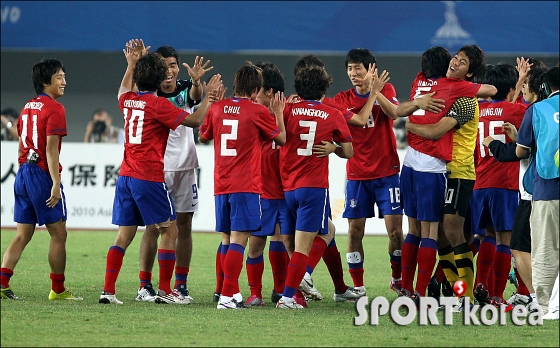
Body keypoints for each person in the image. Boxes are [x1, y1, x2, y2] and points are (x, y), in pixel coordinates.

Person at [99, 40, 222, 305]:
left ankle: (108, 291)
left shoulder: (127, 100)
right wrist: (210, 100)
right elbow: (195, 121)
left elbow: (122, 87)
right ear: (158, 80)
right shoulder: (158, 105)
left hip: (125, 176)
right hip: (149, 175)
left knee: (124, 233)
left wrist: (131, 64)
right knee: (170, 229)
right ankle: (166, 291)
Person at [399, 45, 496, 307]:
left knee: (453, 233)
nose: (455, 63)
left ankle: (465, 295)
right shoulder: (446, 89)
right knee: (440, 234)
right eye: (455, 58)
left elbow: (436, 131)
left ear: (470, 72)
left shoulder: (465, 101)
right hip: (441, 169)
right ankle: (455, 289)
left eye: (462, 62)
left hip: (458, 172)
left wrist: (409, 124)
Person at [199, 63, 286, 309]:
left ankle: (230, 292)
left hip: (221, 184)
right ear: (256, 89)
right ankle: (227, 296)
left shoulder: (216, 108)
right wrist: (278, 113)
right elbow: (281, 138)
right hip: (245, 185)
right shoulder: (257, 111)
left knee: (227, 239)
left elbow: (203, 136)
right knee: (239, 239)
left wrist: (216, 103)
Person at [136, 46, 213, 304]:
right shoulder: (150, 94)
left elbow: (194, 95)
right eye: (165, 65)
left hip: (185, 167)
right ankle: (145, 284)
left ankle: (181, 284)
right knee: (154, 228)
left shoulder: (184, 87)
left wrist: (197, 81)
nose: (169, 70)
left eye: (173, 65)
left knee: (184, 226)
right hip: (158, 168)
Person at [0, 59, 82, 301]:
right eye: (59, 77)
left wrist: (24, 168)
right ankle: (58, 289)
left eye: (64, 76)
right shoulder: (56, 109)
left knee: (23, 234)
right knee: (59, 234)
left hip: (24, 171)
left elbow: (20, 144)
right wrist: (55, 183)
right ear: (46, 81)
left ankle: (2, 283)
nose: (64, 81)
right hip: (41, 175)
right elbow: (51, 149)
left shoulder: (27, 108)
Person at [276, 65, 354, 309]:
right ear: (324, 90)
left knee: (304, 240)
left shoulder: (287, 109)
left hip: (288, 187)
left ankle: (337, 288)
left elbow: (277, 137)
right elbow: (349, 152)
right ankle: (289, 296)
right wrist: (334, 148)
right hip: (314, 188)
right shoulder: (332, 114)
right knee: (307, 245)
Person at [333, 48, 404, 295]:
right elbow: (359, 121)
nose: (353, 74)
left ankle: (397, 278)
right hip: (357, 175)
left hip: (387, 173)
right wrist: (372, 93)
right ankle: (358, 285)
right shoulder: (341, 99)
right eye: (350, 69)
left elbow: (394, 113)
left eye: (358, 68)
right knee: (354, 231)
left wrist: (376, 92)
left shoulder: (388, 90)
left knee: (396, 232)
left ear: (370, 69)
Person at [470, 63, 527, 305]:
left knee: (485, 237)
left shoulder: (477, 110)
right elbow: (523, 112)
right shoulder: (516, 111)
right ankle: (495, 295)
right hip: (503, 183)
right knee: (506, 240)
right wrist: (523, 81)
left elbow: (501, 106)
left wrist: (516, 82)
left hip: (479, 183)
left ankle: (480, 287)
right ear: (512, 88)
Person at [516, 66, 559, 316]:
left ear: (544, 87)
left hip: (546, 190)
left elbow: (521, 151)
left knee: (545, 250)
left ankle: (545, 307)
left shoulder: (538, 109)